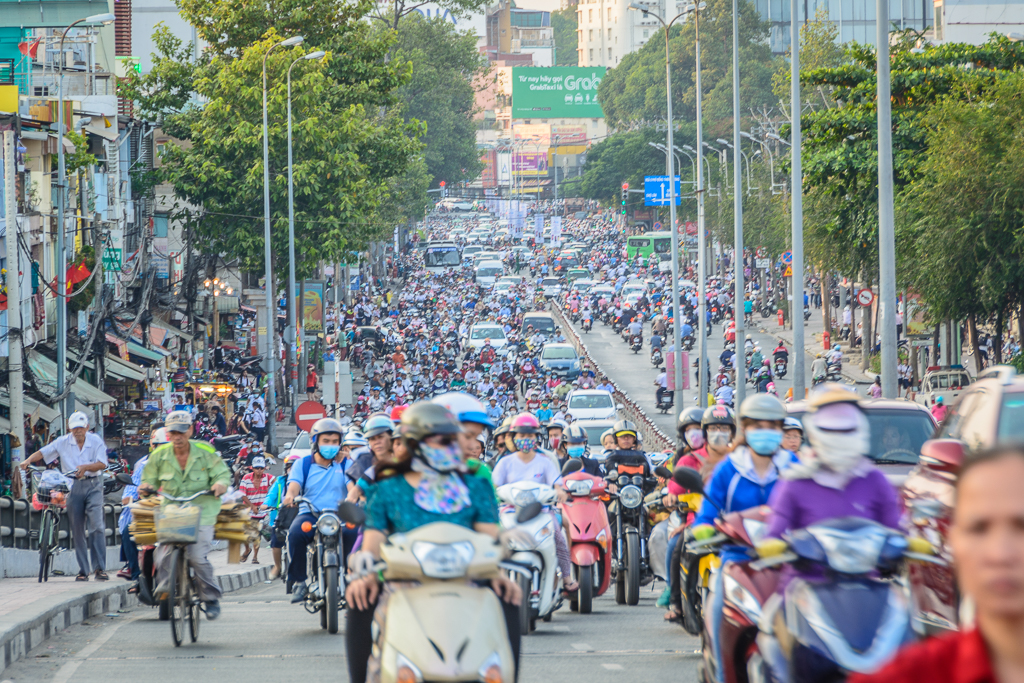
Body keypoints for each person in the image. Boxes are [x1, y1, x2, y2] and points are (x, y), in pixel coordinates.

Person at [344, 402, 523, 683]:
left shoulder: (475, 485)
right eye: (443, 440)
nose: (454, 446)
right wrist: (365, 569)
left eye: (453, 439)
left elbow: (489, 537)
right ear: (415, 443)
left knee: (509, 598)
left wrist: (499, 566)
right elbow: (374, 540)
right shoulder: (388, 486)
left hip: (467, 574)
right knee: (358, 601)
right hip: (403, 576)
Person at [847, 444, 1024, 683]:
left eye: (1021, 527)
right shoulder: (905, 677)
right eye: (979, 528)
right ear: (953, 543)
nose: (1000, 553)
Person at [691, 395, 797, 683]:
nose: (764, 431)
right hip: (737, 564)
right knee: (715, 618)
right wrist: (703, 528)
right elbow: (707, 512)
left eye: (772, 425)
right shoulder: (729, 469)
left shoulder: (795, 468)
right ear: (745, 428)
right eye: (757, 425)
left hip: (789, 565)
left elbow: (814, 510)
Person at [140, 410, 231, 619]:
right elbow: (149, 479)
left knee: (197, 556)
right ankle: (165, 587)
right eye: (173, 432)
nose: (177, 436)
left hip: (203, 511)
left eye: (182, 431)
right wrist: (146, 486)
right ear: (168, 433)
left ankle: (210, 598)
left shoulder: (205, 451)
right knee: (162, 552)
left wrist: (219, 484)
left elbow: (222, 474)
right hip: (172, 510)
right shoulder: (159, 456)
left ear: (190, 430)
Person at [20, 411, 110, 581]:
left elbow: (102, 463)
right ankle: (84, 570)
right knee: (77, 529)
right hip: (72, 486)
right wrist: (28, 461)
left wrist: (85, 467)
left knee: (97, 526)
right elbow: (43, 452)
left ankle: (100, 568)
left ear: (87, 428)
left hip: (93, 485)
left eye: (80, 428)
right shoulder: (62, 442)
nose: (78, 432)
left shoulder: (95, 440)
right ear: (70, 429)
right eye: (74, 429)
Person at [491, 413, 576, 592]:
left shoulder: (545, 462)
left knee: (558, 537)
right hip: (510, 511)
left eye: (530, 436)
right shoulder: (505, 462)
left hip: (542, 511)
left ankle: (567, 577)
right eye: (521, 436)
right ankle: (493, 576)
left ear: (536, 437)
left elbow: (556, 483)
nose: (525, 439)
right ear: (514, 438)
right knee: (494, 537)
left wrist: (559, 491)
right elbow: (495, 485)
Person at [283, 417, 351, 603]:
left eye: (335, 442)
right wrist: (290, 496)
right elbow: (294, 486)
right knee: (295, 535)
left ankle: (351, 576)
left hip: (340, 515)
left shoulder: (345, 464)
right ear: (315, 442)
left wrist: (355, 499)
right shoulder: (303, 464)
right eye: (326, 441)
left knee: (354, 532)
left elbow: (352, 487)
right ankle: (299, 581)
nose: (331, 445)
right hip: (311, 514)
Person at [118, 427, 168, 586]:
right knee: (128, 532)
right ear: (154, 447)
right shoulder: (144, 467)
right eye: (162, 446)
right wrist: (131, 498)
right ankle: (136, 576)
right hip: (152, 515)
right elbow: (130, 492)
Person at [238, 456, 274, 565]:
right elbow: (243, 495)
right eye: (257, 468)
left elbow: (278, 483)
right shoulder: (246, 478)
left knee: (256, 535)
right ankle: (247, 549)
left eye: (261, 468)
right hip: (248, 509)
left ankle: (255, 557)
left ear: (264, 468)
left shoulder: (267, 477)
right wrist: (252, 506)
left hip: (261, 512)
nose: (259, 470)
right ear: (252, 468)